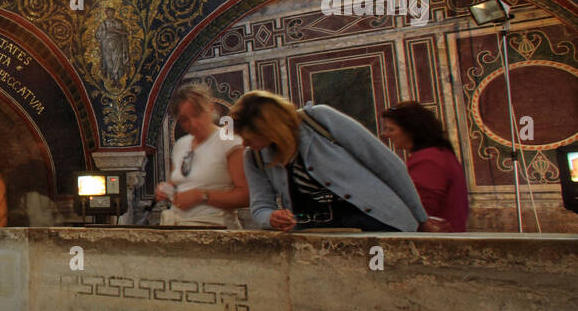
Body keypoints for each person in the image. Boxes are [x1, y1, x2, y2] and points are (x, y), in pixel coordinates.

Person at [229, 90, 429, 232]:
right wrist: (271, 219)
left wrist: (422, 219)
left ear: (270, 128)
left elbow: (387, 165)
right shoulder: (254, 157)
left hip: (377, 223)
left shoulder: (320, 119)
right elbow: (261, 205)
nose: (244, 143)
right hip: (316, 237)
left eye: (250, 136)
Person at [154, 84, 249, 227]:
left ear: (210, 108)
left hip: (215, 228)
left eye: (197, 114)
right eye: (184, 119)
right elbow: (176, 184)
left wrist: (201, 196)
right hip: (177, 226)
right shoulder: (181, 144)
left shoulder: (229, 141)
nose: (193, 123)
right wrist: (165, 190)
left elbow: (245, 195)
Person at [380, 102, 470, 232]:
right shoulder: (438, 154)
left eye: (391, 129)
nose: (386, 135)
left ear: (411, 131)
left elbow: (421, 211)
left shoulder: (429, 160)